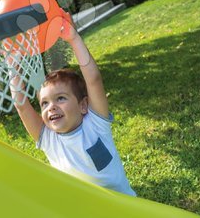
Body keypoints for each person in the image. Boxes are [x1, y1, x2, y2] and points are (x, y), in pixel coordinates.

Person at [9, 16, 136, 196]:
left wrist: (74, 39)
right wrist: (13, 65)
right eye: (44, 103)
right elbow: (21, 105)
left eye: (60, 98)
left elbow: (93, 79)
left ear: (83, 105)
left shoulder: (96, 124)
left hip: (124, 207)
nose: (51, 107)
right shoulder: (48, 138)